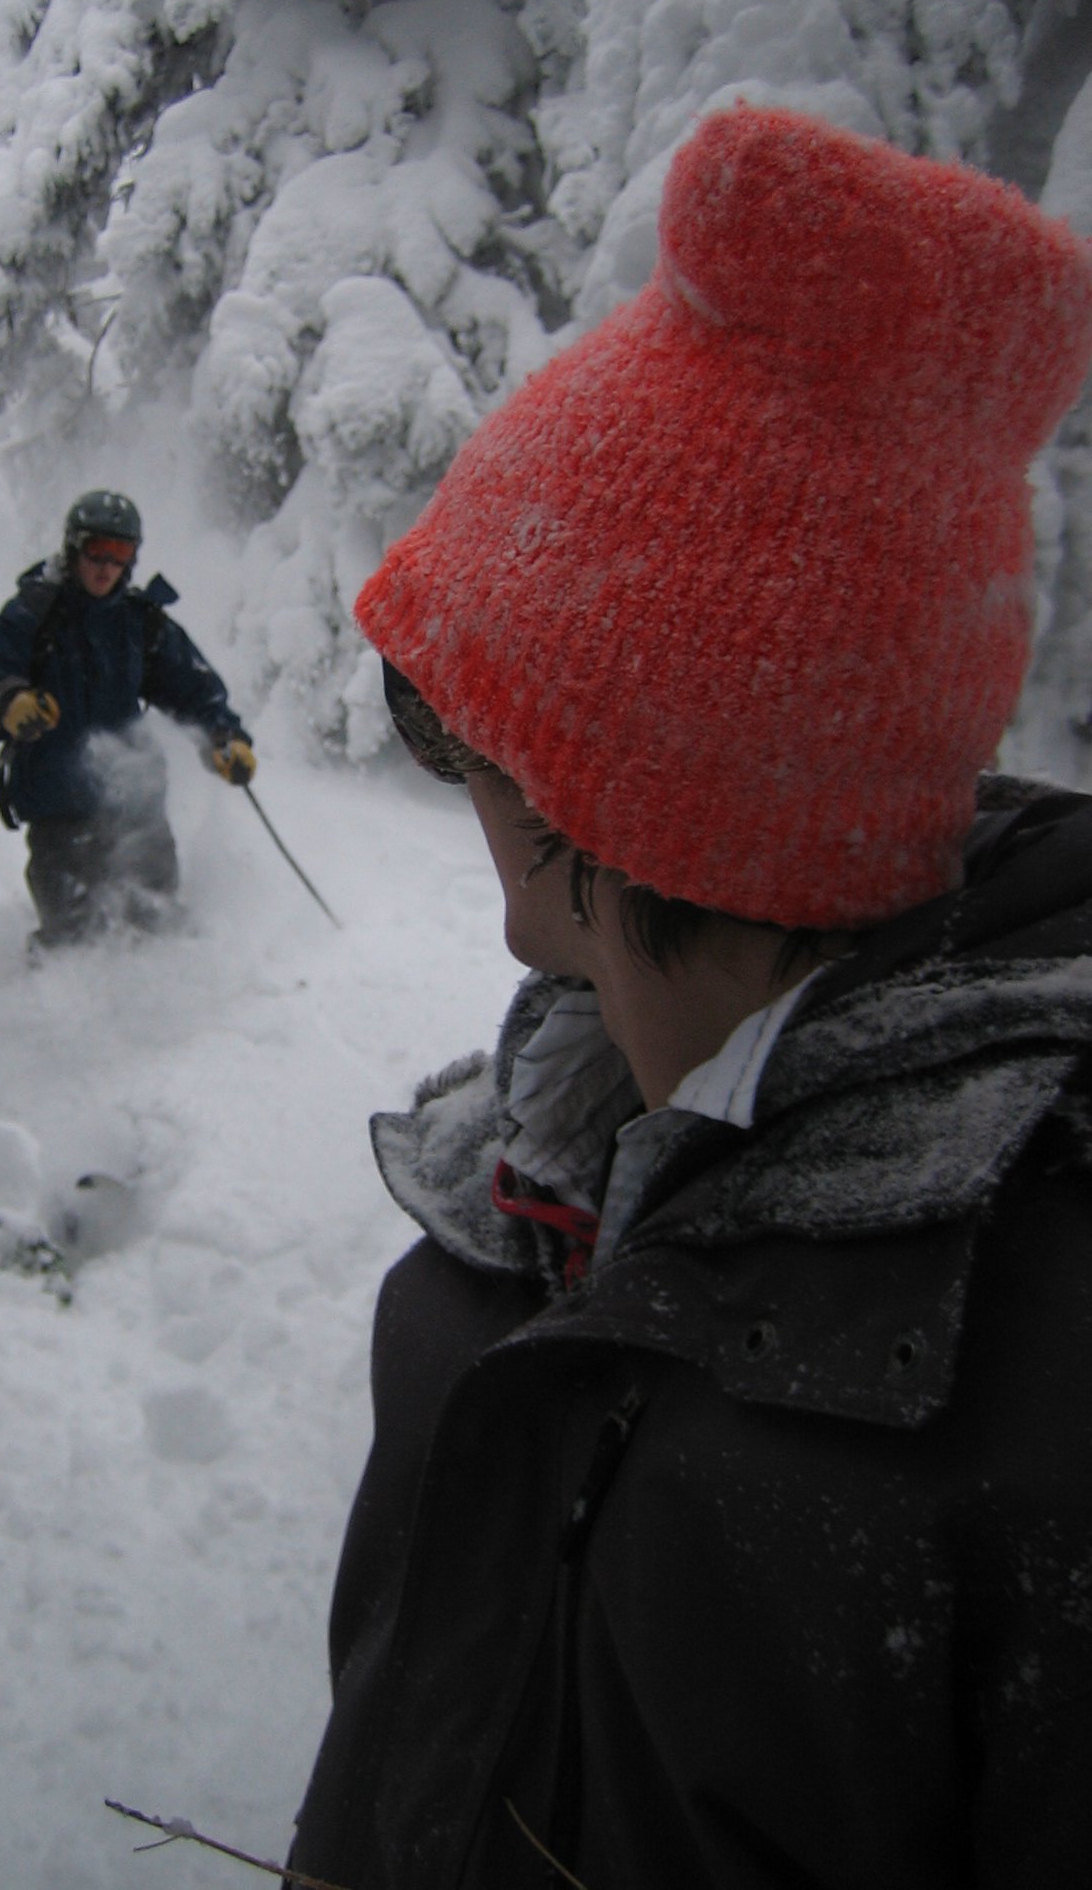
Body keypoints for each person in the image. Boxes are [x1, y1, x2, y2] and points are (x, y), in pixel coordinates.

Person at [290, 105, 1092, 1888]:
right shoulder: (511, 1216)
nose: (451, 771)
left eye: (464, 726)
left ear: (611, 790)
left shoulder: (1029, 1416)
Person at [0, 490, 254, 945]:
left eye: (120, 554)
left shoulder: (141, 623)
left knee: (156, 923)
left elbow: (194, 690)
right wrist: (9, 703)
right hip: (57, 807)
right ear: (74, 548)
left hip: (135, 802)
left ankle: (170, 1007)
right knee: (71, 936)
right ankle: (51, 1008)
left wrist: (224, 738)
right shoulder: (32, 616)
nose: (105, 566)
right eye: (96, 550)